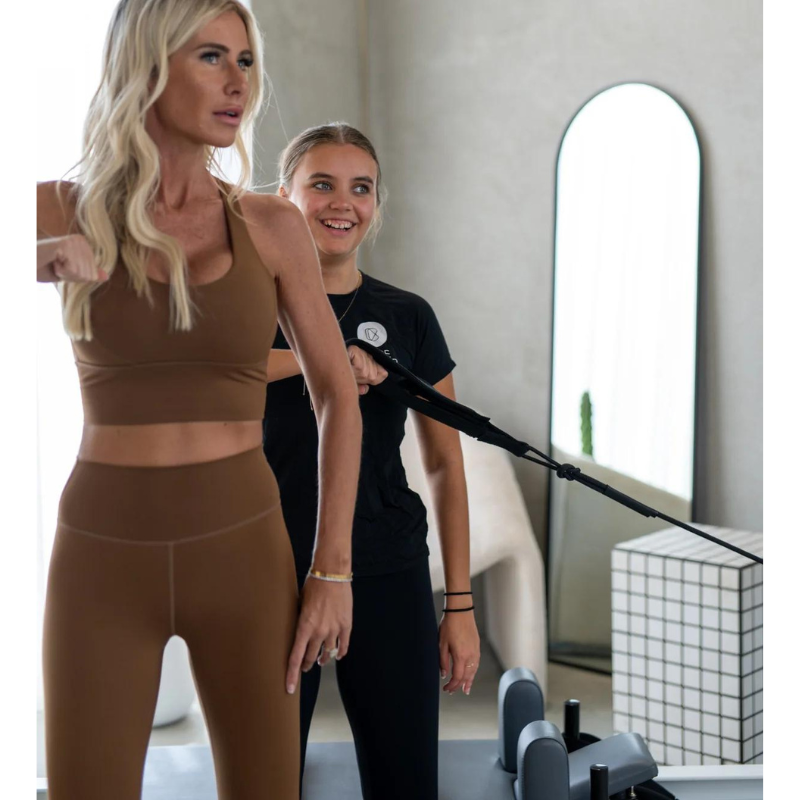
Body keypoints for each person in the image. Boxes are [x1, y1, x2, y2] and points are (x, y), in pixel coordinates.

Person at [36, 3, 362, 799]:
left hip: (245, 549)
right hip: (101, 555)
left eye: (246, 63)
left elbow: (336, 398)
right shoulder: (56, 208)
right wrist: (41, 253)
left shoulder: (272, 223)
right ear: (147, 63)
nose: (237, 84)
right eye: (211, 57)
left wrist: (331, 572)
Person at [264, 123, 481, 800]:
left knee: (406, 781)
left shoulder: (408, 316)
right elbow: (206, 375)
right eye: (321, 184)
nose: (343, 202)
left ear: (376, 205)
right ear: (283, 197)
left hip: (386, 566)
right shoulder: (246, 308)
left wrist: (461, 605)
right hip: (268, 568)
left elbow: (445, 463)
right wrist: (323, 362)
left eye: (361, 188)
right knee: (264, 781)